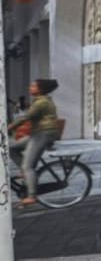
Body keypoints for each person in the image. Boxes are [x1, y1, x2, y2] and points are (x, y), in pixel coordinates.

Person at [8, 79, 60, 207]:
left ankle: (32, 196)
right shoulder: (40, 100)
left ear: (40, 89)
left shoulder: (41, 102)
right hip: (37, 133)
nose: (30, 87)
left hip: (43, 134)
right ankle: (25, 172)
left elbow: (26, 117)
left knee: (28, 166)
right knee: (12, 147)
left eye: (33, 86)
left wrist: (8, 128)